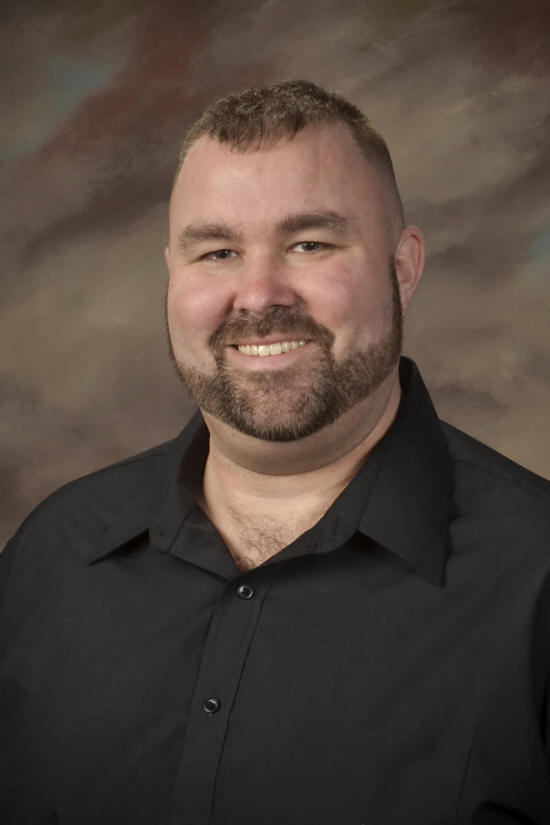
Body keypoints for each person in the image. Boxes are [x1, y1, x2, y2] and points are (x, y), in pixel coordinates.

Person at [1, 79, 550, 825]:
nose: (259, 295)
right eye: (218, 251)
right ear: (173, 274)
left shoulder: (534, 576)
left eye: (309, 244)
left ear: (403, 267)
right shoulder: (53, 556)